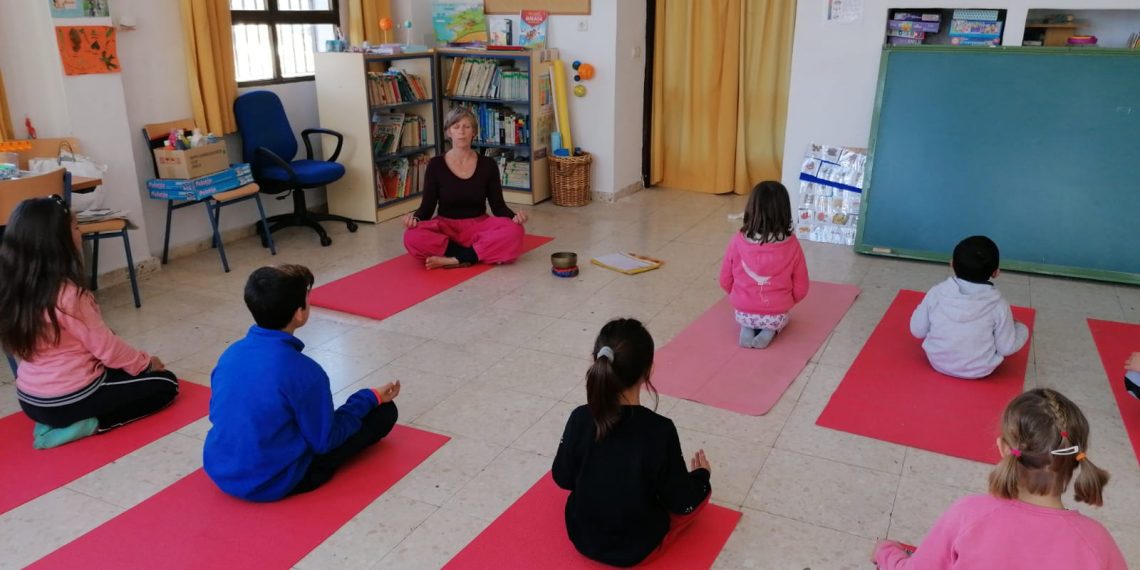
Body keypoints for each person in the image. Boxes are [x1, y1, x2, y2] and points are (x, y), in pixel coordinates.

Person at [203, 264, 401, 502]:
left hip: (221, 469)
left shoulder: (230, 354)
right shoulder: (305, 371)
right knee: (384, 413)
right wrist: (370, 398)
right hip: (276, 480)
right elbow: (325, 441)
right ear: (299, 313)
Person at [873, 388, 1126, 569]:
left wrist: (886, 553)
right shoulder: (1097, 541)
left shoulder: (969, 514)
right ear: (1077, 457)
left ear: (1004, 448)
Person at [0, 196, 178, 449]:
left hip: (31, 401)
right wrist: (146, 363)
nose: (80, 232)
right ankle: (87, 424)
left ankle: (54, 422)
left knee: (122, 372)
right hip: (70, 399)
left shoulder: (13, 287)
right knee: (166, 384)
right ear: (57, 240)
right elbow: (108, 350)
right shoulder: (69, 294)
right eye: (75, 226)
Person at [553, 318, 711, 567]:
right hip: (636, 548)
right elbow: (682, 501)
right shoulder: (660, 430)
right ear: (649, 370)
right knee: (698, 503)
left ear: (595, 361)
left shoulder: (580, 417)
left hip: (582, 536)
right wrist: (702, 477)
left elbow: (562, 478)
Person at [402, 106, 528, 269]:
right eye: (456, 127)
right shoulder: (435, 165)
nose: (461, 132)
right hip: (445, 227)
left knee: (515, 231)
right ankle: (472, 255)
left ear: (473, 132)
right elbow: (426, 208)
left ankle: (456, 259)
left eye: (466, 127)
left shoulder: (488, 165)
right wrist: (414, 219)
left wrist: (515, 218)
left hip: (478, 226)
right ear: (449, 132)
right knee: (411, 237)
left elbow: (498, 207)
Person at [910, 235, 1029, 379]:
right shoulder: (999, 305)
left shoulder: (936, 293)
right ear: (996, 272)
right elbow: (1006, 348)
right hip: (980, 370)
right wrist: (1022, 329)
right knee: (1019, 328)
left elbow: (917, 330)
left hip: (938, 362)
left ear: (952, 264)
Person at [719, 181, 809, 349]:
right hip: (776, 314)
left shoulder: (737, 241)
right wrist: (788, 301)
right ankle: (769, 331)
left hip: (742, 311)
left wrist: (737, 295)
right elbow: (802, 286)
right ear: (784, 211)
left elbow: (725, 279)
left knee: (748, 316)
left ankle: (747, 327)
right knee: (782, 319)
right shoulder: (792, 244)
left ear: (751, 209)